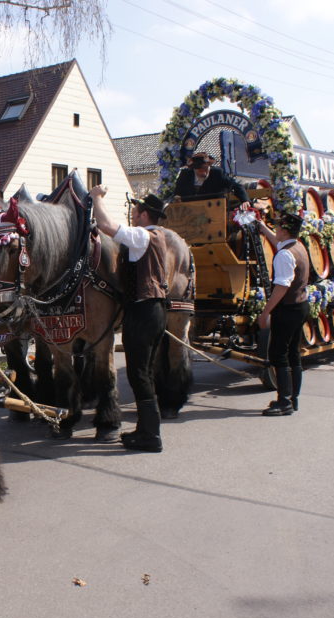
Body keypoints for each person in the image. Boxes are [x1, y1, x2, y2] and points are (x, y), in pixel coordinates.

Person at [90, 185, 168, 452]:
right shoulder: (155, 236)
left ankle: (151, 436)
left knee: (139, 374)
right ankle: (146, 430)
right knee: (142, 373)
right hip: (152, 309)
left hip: (143, 310)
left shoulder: (143, 236)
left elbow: (106, 225)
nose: (133, 214)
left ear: (145, 215)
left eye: (136, 211)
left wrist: (96, 198)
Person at [255, 211, 309, 415]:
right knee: (294, 353)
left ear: (285, 230)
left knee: (279, 354)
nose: (276, 230)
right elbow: (276, 241)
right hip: (300, 305)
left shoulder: (284, 255)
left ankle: (284, 402)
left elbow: (281, 287)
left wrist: (265, 312)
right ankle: (293, 399)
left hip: (287, 308)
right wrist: (262, 227)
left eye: (278, 227)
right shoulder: (297, 246)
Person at [173, 151, 250, 209]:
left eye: (205, 168)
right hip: (191, 212)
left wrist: (245, 200)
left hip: (215, 210)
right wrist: (177, 197)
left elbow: (236, 186)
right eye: (200, 169)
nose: (204, 172)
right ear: (194, 169)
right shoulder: (185, 175)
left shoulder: (217, 173)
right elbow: (177, 192)